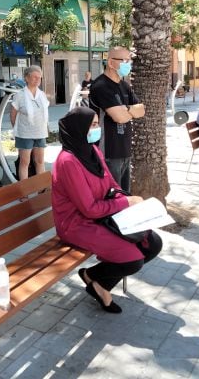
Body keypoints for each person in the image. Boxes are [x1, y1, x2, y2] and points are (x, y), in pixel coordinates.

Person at [52, 107, 163, 314]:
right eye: (92, 125)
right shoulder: (68, 161)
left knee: (152, 243)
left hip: (103, 215)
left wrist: (126, 200)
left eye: (97, 124)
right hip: (77, 224)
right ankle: (95, 277)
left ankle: (98, 281)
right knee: (132, 259)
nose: (98, 128)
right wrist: (125, 203)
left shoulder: (91, 150)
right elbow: (89, 209)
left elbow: (111, 183)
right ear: (79, 128)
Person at [89, 46, 144, 193]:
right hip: (108, 151)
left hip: (125, 150)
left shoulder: (124, 85)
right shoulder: (100, 86)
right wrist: (129, 111)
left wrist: (126, 111)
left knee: (124, 195)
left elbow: (141, 110)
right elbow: (119, 117)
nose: (128, 64)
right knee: (112, 197)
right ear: (111, 63)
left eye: (129, 60)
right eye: (125, 60)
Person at [10, 65, 49, 180]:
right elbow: (13, 115)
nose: (38, 80)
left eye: (39, 77)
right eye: (35, 77)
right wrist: (17, 130)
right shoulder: (20, 95)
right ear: (27, 78)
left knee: (40, 161)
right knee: (25, 162)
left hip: (40, 132)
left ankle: (41, 190)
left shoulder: (42, 95)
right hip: (25, 134)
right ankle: (24, 193)